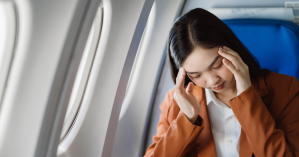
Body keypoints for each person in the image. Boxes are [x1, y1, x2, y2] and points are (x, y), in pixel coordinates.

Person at [144, 8, 299, 157]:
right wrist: (187, 120)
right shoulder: (175, 102)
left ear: (231, 48)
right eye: (196, 75)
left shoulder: (286, 90)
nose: (212, 80)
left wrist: (248, 98)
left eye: (217, 65)